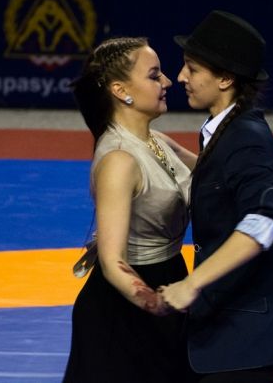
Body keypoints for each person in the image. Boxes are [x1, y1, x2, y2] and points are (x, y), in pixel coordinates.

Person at [160, 10, 273, 382]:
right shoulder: (226, 130)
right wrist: (175, 153)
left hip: (249, 338)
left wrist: (192, 283)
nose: (181, 77)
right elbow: (225, 179)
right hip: (230, 328)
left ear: (226, 78)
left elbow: (263, 221)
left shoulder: (246, 139)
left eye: (192, 68)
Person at [63, 37, 196, 382]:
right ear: (121, 91)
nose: (167, 81)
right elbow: (112, 262)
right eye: (154, 75)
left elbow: (217, 175)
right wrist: (158, 305)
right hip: (124, 311)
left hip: (170, 277)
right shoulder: (119, 160)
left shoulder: (157, 141)